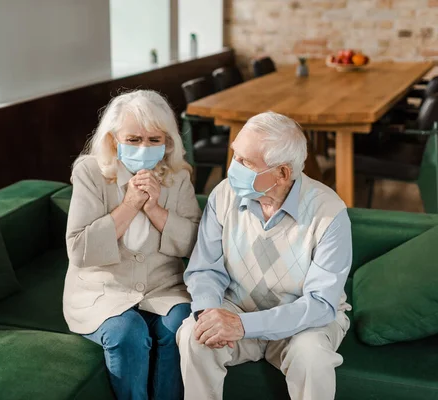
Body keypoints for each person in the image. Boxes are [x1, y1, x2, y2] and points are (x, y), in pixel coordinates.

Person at [177, 111, 352, 400]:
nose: (234, 168)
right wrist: (210, 314)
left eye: (245, 162)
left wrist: (244, 326)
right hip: (238, 307)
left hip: (302, 323)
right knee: (193, 335)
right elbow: (204, 270)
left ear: (282, 173)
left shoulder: (329, 212)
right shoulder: (223, 195)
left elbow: (320, 305)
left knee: (313, 358)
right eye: (236, 156)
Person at [63, 90, 201, 400]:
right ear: (114, 140)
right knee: (129, 332)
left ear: (168, 142)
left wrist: (155, 209)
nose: (144, 147)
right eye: (134, 139)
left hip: (163, 288)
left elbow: (196, 243)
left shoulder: (177, 177)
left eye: (155, 140)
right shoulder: (90, 172)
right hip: (104, 291)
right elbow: (79, 248)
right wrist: (129, 204)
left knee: (183, 324)